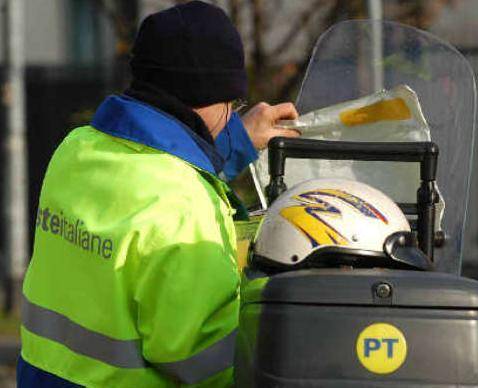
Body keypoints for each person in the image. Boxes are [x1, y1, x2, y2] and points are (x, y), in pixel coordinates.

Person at [17, 2, 299, 387]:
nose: (233, 112)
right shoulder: (182, 202)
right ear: (213, 99)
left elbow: (150, 172)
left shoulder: (77, 150)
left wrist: (236, 140)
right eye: (233, 105)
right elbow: (197, 359)